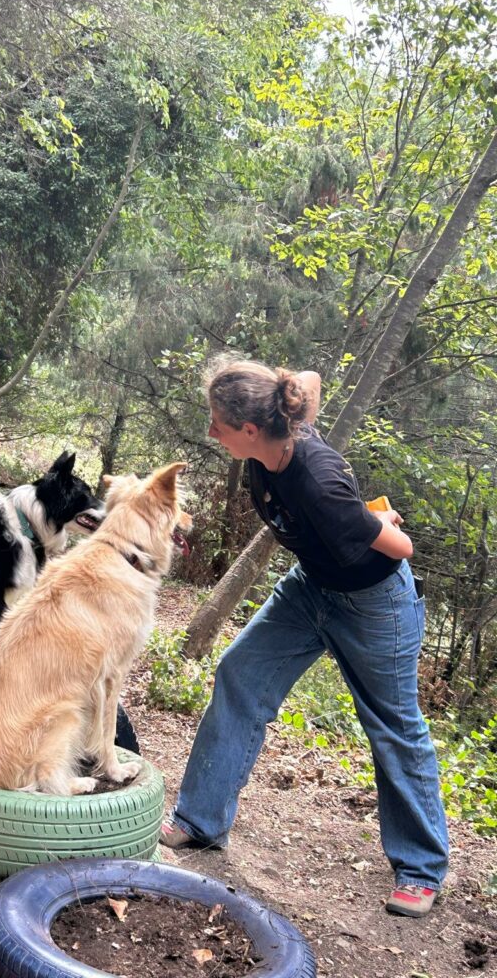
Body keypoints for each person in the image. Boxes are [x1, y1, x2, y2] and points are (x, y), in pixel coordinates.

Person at [160, 357, 449, 919]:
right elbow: (308, 383)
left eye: (217, 423)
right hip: (310, 587)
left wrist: (378, 523)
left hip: (373, 604)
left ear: (250, 430)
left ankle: (420, 869)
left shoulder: (319, 482)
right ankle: (201, 821)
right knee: (240, 672)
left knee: (393, 726)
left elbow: (402, 548)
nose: (210, 432)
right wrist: (281, 385)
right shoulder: (277, 433)